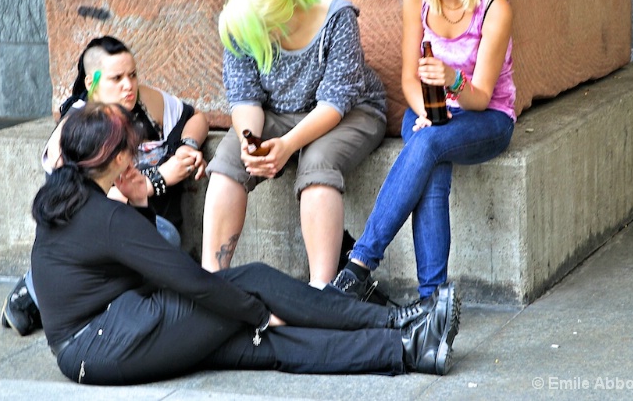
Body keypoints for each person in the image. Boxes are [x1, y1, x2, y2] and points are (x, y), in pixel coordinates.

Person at [31, 102, 461, 384]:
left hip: (95, 345)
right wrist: (256, 311)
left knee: (254, 345)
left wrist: (140, 198)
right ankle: (398, 322)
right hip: (105, 339)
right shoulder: (103, 216)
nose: (139, 155)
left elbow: (140, 262)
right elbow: (187, 278)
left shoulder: (66, 196)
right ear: (118, 158)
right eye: (132, 149)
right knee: (252, 283)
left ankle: (405, 348)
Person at [331, 0, 516, 308]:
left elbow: (482, 96)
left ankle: (360, 264)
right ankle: (432, 302)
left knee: (429, 144)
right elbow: (408, 81)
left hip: (486, 118)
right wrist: (428, 112)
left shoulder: (494, 7)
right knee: (430, 152)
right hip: (428, 109)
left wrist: (452, 80)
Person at [1, 36, 208, 336]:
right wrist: (159, 179)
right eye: (117, 78)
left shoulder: (145, 102)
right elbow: (96, 207)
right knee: (164, 238)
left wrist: (188, 145)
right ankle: (31, 290)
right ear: (92, 82)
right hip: (95, 235)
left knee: (163, 239)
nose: (129, 85)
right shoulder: (77, 129)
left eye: (133, 75)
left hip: (140, 225)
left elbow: (195, 117)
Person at [201, 0, 388, 287]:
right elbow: (245, 97)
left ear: (274, 26)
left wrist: (287, 146)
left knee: (317, 162)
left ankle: (321, 292)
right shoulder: (240, 26)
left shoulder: (336, 18)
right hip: (279, 111)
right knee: (230, 156)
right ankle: (210, 282)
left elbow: (335, 102)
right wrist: (251, 142)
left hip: (351, 111)